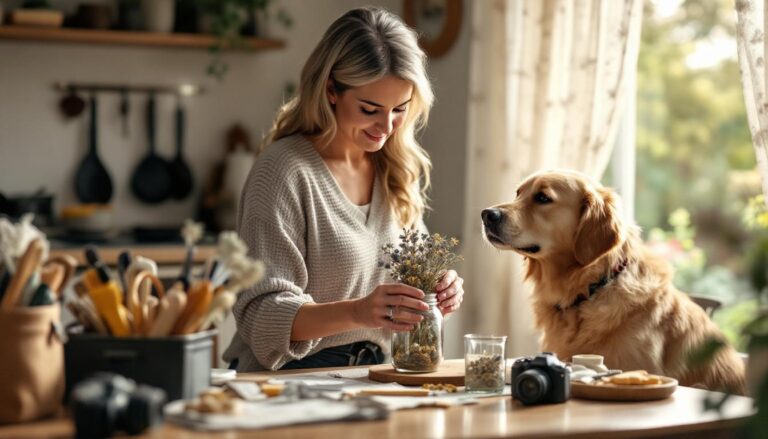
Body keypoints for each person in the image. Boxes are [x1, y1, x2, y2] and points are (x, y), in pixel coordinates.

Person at [223, 6, 465, 372]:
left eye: (399, 108)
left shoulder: (395, 169)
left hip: (374, 374)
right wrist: (358, 311)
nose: (386, 126)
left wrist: (440, 287)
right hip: (288, 382)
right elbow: (262, 316)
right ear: (331, 90)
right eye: (370, 109)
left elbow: (414, 276)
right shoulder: (284, 170)